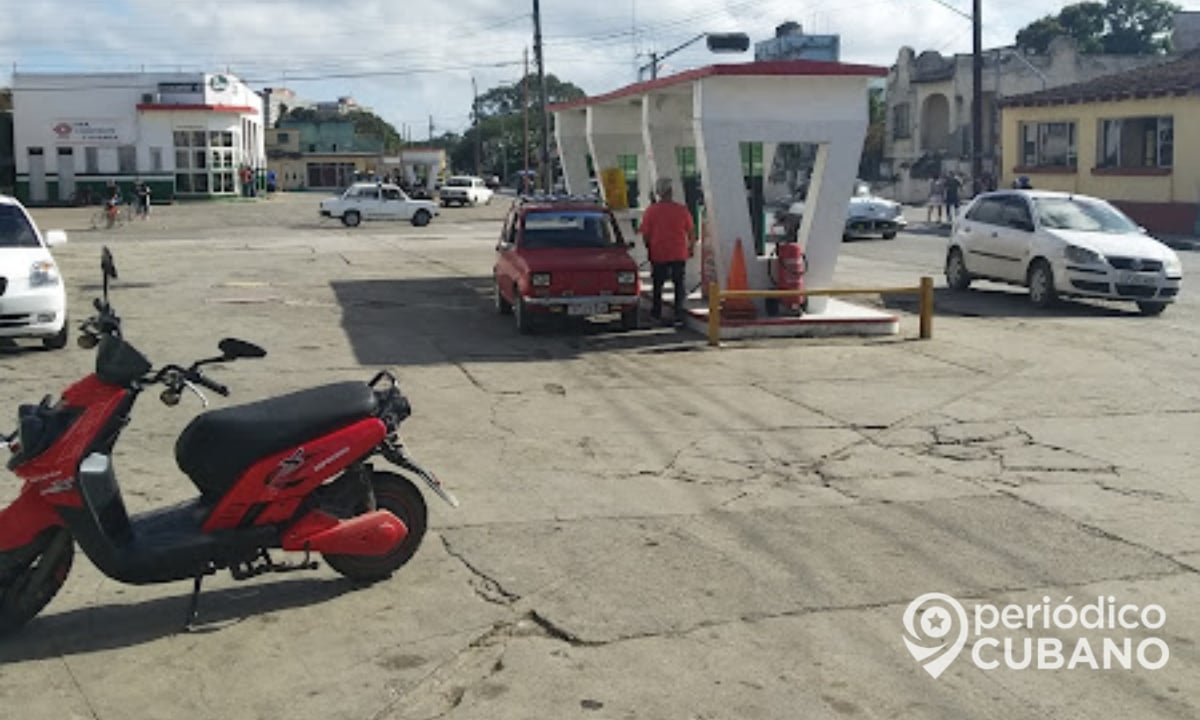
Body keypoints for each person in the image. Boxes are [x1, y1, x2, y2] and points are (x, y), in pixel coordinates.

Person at [639, 176, 696, 327]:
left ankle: (656, 313)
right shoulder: (681, 210)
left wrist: (649, 249)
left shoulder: (651, 211)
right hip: (678, 252)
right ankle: (678, 314)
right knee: (679, 284)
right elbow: (691, 232)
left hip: (658, 253)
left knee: (658, 285)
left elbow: (645, 234)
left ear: (658, 193)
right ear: (671, 192)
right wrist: (691, 247)